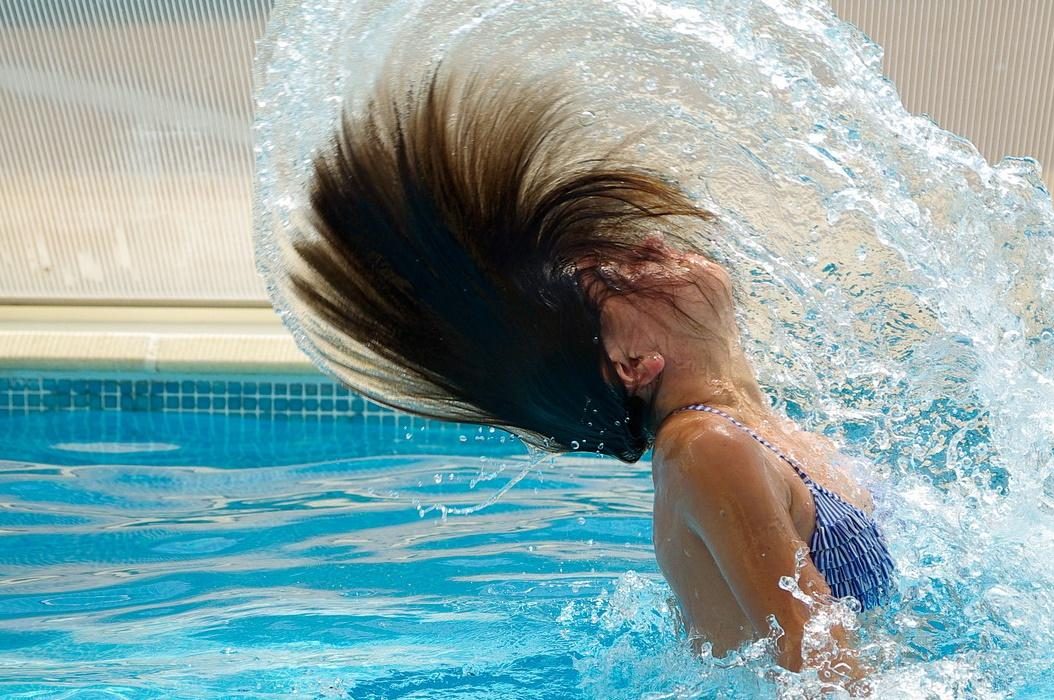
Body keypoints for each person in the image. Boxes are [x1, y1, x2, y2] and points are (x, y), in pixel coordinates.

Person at [282, 65, 894, 690]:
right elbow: (820, 665)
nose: (653, 243)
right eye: (620, 275)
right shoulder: (708, 451)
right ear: (631, 363)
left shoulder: (751, 432)